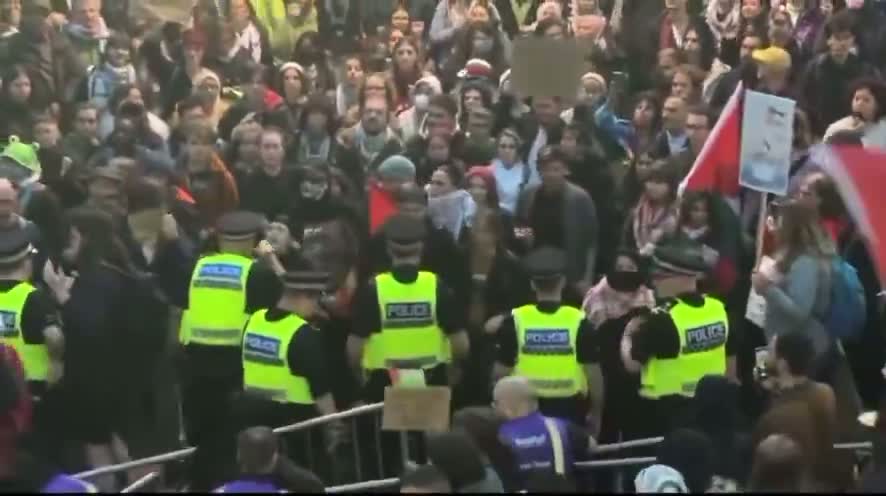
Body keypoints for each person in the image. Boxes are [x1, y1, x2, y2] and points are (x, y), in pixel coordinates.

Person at [347, 213, 469, 478]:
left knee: (387, 456)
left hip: (384, 382)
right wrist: (454, 370)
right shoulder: (437, 286)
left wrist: (359, 377)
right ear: (421, 248)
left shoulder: (373, 289)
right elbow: (460, 342)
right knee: (430, 455)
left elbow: (355, 345)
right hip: (428, 378)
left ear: (389, 249)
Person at [179, 210, 281, 448]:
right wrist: (273, 260)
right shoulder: (257, 273)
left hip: (195, 370)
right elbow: (292, 303)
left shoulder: (196, 266)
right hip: (239, 370)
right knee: (237, 441)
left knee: (203, 441)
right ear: (256, 241)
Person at [620, 237, 737, 439]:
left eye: (660, 276)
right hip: (709, 412)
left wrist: (628, 334)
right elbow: (730, 365)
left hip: (664, 417)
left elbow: (632, 365)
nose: (655, 282)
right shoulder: (718, 309)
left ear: (678, 278)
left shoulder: (663, 319)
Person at [237, 261, 341, 475]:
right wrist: (334, 424)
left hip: (255, 425)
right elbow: (320, 389)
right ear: (304, 296)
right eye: (315, 299)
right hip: (298, 429)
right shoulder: (302, 334)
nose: (317, 307)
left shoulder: (254, 319)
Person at [491, 247, 603, 429]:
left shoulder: (515, 321)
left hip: (523, 409)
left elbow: (500, 372)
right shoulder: (579, 321)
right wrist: (596, 412)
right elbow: (594, 374)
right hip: (569, 412)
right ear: (563, 282)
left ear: (532, 285)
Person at [493, 376, 594, 487]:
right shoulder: (562, 426)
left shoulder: (497, 434)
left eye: (495, 403)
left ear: (506, 405)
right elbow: (592, 446)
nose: (493, 407)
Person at [0, 225, 63, 397]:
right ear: (26, 262)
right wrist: (57, 363)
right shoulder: (35, 298)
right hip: (32, 389)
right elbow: (54, 337)